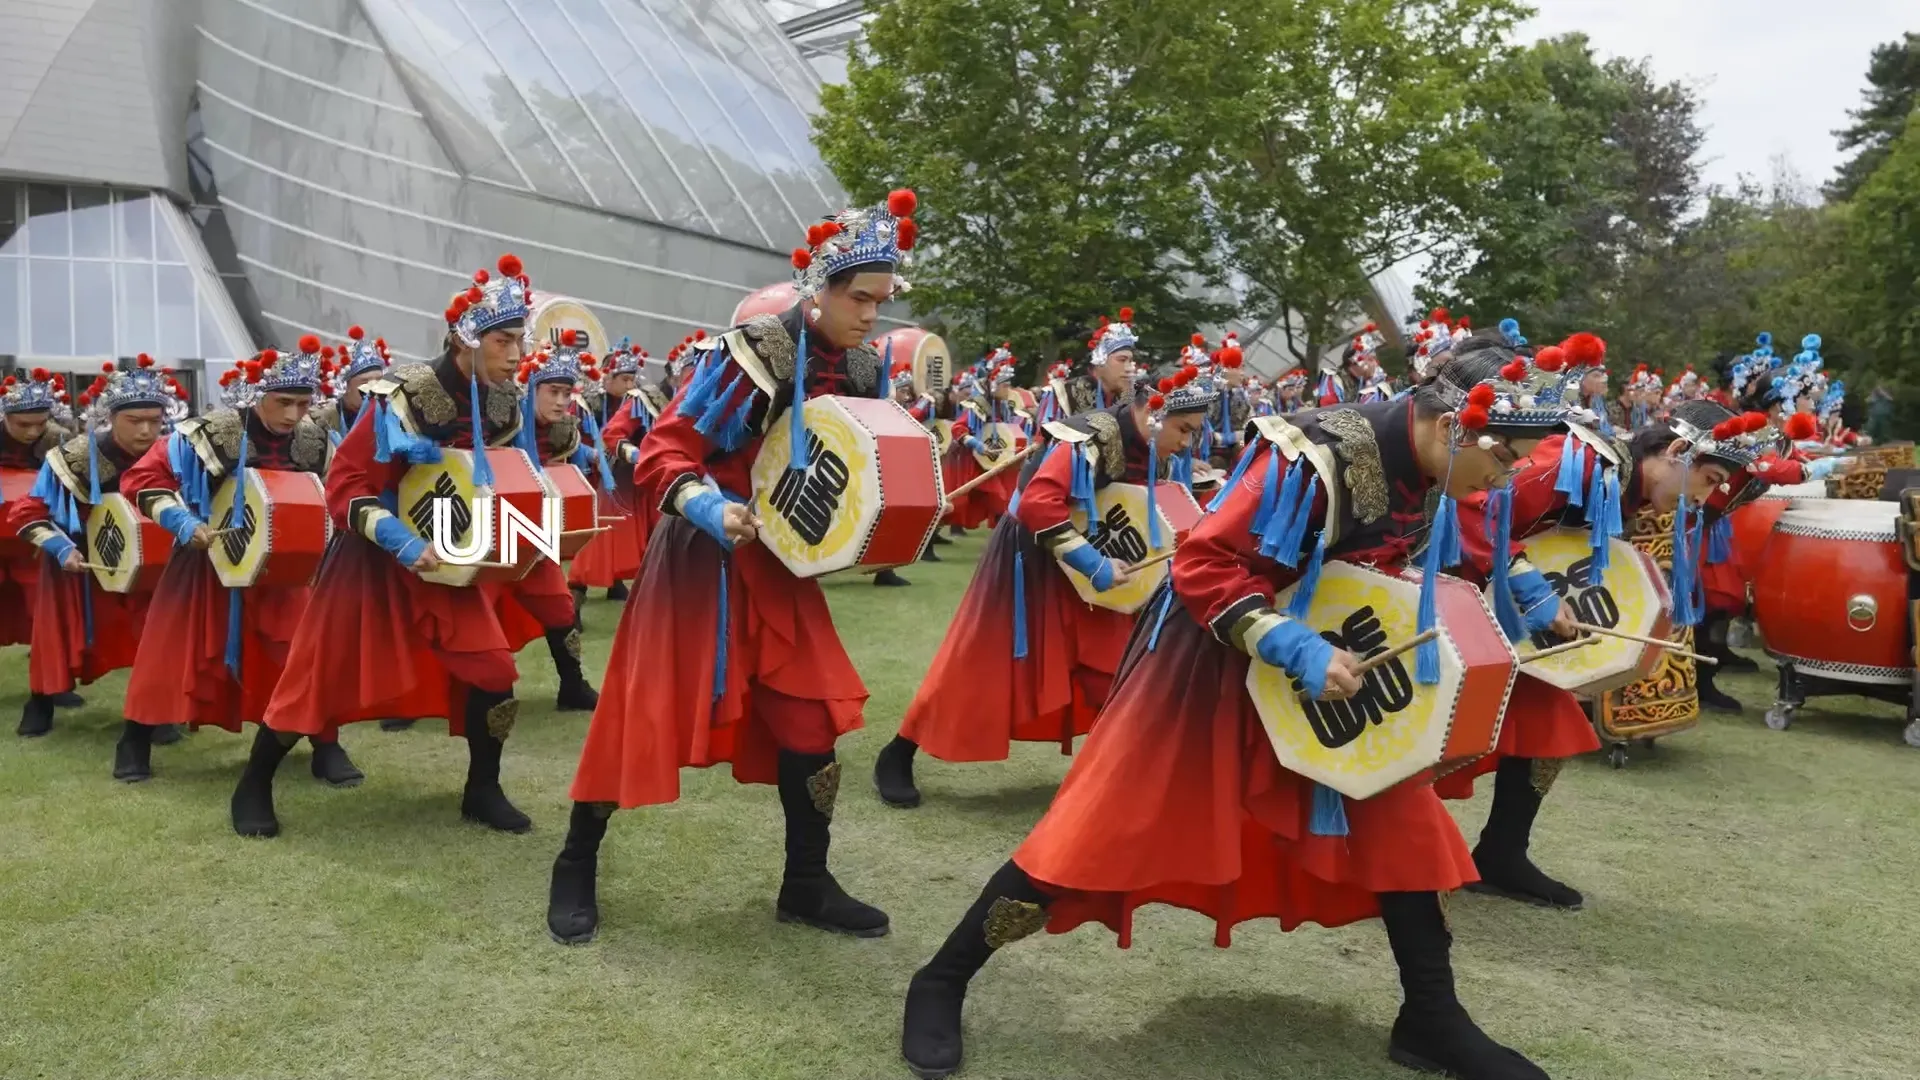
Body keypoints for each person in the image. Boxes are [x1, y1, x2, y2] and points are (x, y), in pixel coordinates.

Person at [901, 349, 1574, 1080]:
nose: (1506, 478)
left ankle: (1432, 1019)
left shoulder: (1437, 468)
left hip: (1326, 677)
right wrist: (1295, 646)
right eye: (1503, 458)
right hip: (1211, 659)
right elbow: (1203, 564)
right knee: (1093, 830)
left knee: (1409, 831)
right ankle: (942, 979)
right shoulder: (1318, 451)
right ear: (1452, 426)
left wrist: (1529, 603)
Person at [548, 191, 920, 946]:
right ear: (819, 290)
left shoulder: (856, 364)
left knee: (812, 724)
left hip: (779, 567)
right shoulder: (756, 349)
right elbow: (665, 453)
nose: (874, 315)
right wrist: (712, 509)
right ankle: (575, 862)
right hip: (702, 563)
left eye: (883, 300)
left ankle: (806, 885)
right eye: (860, 297)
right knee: (640, 720)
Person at [243, 253, 575, 838]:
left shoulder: (502, 401)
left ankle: (483, 788)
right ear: (463, 339)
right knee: (316, 679)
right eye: (504, 340)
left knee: (494, 673)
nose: (518, 354)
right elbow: (345, 486)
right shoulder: (398, 395)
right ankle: (254, 784)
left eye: (521, 340)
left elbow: (511, 477)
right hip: (371, 561)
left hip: (449, 561)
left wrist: (541, 554)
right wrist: (399, 540)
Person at [874, 361, 1213, 808]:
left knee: (1114, 666)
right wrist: (1093, 563)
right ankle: (898, 754)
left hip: (1095, 560)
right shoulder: (1092, 435)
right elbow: (1038, 505)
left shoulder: (1151, 446)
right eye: (1183, 430)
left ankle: (1117, 775)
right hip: (1032, 557)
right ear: (1153, 412)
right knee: (979, 665)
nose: (1186, 443)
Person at [115, 343, 361, 785]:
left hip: (286, 568)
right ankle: (134, 739)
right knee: (168, 655)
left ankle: (327, 744)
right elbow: (143, 480)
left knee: (300, 655)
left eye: (303, 403)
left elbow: (341, 489)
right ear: (255, 395)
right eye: (283, 402)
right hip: (204, 562)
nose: (293, 414)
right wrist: (181, 521)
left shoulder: (315, 439)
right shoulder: (208, 432)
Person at [8, 358, 184, 738]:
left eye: (154, 420)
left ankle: (155, 711)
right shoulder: (73, 457)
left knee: (155, 636)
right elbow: (26, 512)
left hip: (152, 563)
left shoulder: (173, 453)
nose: (146, 429)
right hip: (82, 562)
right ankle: (40, 699)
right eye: (135, 420)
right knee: (60, 634)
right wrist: (61, 548)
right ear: (111, 416)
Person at [500, 332, 602, 712]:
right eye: (553, 392)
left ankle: (572, 686)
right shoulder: (502, 420)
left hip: (534, 538)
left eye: (566, 393)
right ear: (531, 388)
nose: (562, 402)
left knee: (561, 608)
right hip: (489, 533)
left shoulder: (564, 432)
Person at [1, 370, 79, 706]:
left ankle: (53, 684)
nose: (33, 432)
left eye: (40, 423)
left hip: (33, 537)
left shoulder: (59, 440)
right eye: (23, 425)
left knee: (43, 609)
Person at [567, 339, 646, 603]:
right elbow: (570, 438)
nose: (629, 386)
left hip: (618, 475)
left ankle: (615, 580)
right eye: (624, 379)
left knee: (619, 525)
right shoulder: (585, 403)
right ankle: (577, 586)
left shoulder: (635, 402)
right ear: (608, 377)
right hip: (587, 472)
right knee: (595, 528)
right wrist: (594, 456)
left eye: (632, 380)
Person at [308, 326, 390, 445]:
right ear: (346, 386)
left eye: (378, 380)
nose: (374, 388)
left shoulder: (390, 416)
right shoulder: (321, 419)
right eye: (364, 382)